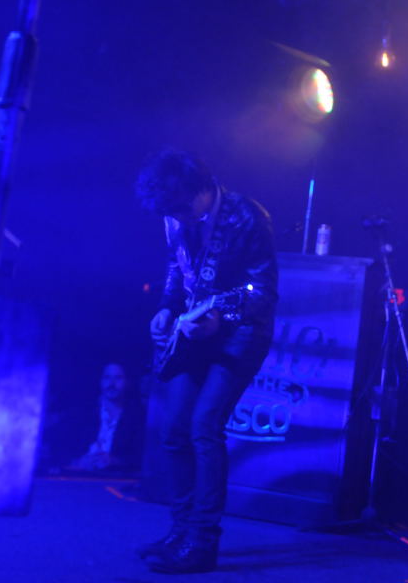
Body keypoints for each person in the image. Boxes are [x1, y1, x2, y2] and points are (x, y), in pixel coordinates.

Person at [134, 149, 278, 574]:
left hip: (242, 335)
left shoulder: (247, 217)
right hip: (195, 333)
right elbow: (176, 267)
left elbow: (263, 293)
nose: (178, 219)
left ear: (202, 190)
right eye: (171, 214)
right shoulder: (175, 215)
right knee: (173, 431)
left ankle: (202, 542)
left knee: (204, 426)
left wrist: (221, 318)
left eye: (183, 209)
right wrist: (166, 307)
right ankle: (180, 531)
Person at [63, 362, 144, 474]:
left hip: (116, 478)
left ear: (127, 382)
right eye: (107, 377)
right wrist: (78, 463)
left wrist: (113, 461)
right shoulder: (81, 413)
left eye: (118, 378)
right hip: (79, 477)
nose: (111, 384)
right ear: (100, 381)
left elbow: (139, 457)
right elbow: (62, 450)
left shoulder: (136, 418)